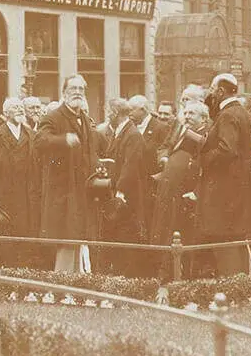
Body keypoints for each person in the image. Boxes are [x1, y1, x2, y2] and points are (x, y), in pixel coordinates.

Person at [35, 75, 98, 273]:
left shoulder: (86, 120)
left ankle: (78, 281)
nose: (77, 92)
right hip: (62, 192)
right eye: (73, 88)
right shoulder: (54, 116)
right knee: (66, 238)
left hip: (82, 191)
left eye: (81, 89)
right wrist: (63, 140)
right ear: (64, 93)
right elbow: (39, 140)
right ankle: (62, 284)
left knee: (79, 236)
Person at [195, 73, 251, 277]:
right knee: (233, 243)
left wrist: (204, 154)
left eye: (212, 90)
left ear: (221, 91)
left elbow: (227, 150)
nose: (210, 94)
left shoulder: (228, 115)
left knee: (224, 243)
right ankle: (237, 288)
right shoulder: (244, 114)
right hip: (238, 191)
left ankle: (232, 292)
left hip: (224, 193)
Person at [149, 100, 208, 270]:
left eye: (192, 114)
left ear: (203, 118)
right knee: (164, 231)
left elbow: (203, 164)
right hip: (168, 189)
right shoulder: (180, 129)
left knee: (181, 236)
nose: (187, 117)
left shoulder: (204, 135)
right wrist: (165, 158)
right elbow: (165, 147)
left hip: (184, 193)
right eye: (186, 113)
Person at [0, 97, 39, 267]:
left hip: (27, 196)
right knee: (6, 241)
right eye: (15, 108)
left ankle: (22, 274)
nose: (20, 110)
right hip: (4, 197)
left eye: (21, 107)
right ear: (6, 114)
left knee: (25, 238)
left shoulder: (31, 135)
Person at [102, 97, 149, 276]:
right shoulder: (123, 132)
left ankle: (128, 277)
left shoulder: (132, 134)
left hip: (127, 197)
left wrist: (120, 193)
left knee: (127, 235)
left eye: (109, 112)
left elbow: (130, 165)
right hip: (120, 195)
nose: (107, 115)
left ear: (115, 113)